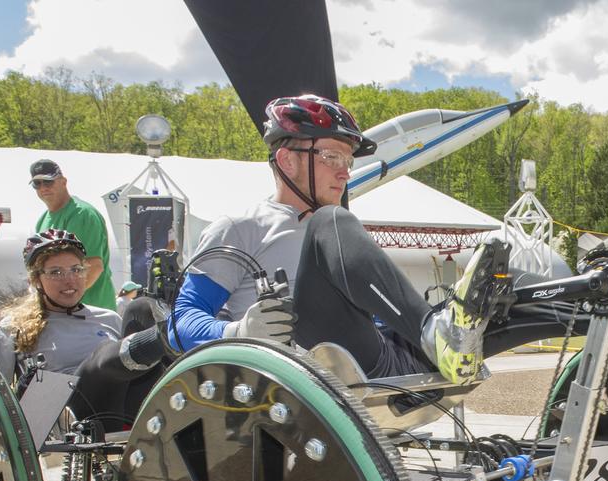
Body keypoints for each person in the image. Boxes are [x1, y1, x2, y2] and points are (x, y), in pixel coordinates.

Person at [168, 94, 502, 385]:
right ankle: (435, 335)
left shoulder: (342, 234)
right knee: (331, 220)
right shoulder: (241, 228)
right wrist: (239, 332)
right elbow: (180, 323)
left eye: (348, 161)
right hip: (308, 372)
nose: (345, 172)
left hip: (383, 356)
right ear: (287, 160)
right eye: (332, 157)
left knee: (506, 285)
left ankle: (444, 336)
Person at [0, 229, 171, 432]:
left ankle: (175, 337)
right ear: (36, 280)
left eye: (76, 270)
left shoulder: (109, 318)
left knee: (141, 308)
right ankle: (168, 336)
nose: (69, 280)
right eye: (56, 272)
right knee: (102, 357)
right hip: (57, 422)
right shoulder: (14, 326)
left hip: (121, 412)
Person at [30, 159, 118, 312]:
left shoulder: (82, 214)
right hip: (61, 311)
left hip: (90, 312)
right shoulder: (42, 220)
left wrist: (63, 301)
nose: (43, 187)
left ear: (63, 182)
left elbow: (94, 266)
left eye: (48, 181)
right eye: (37, 183)